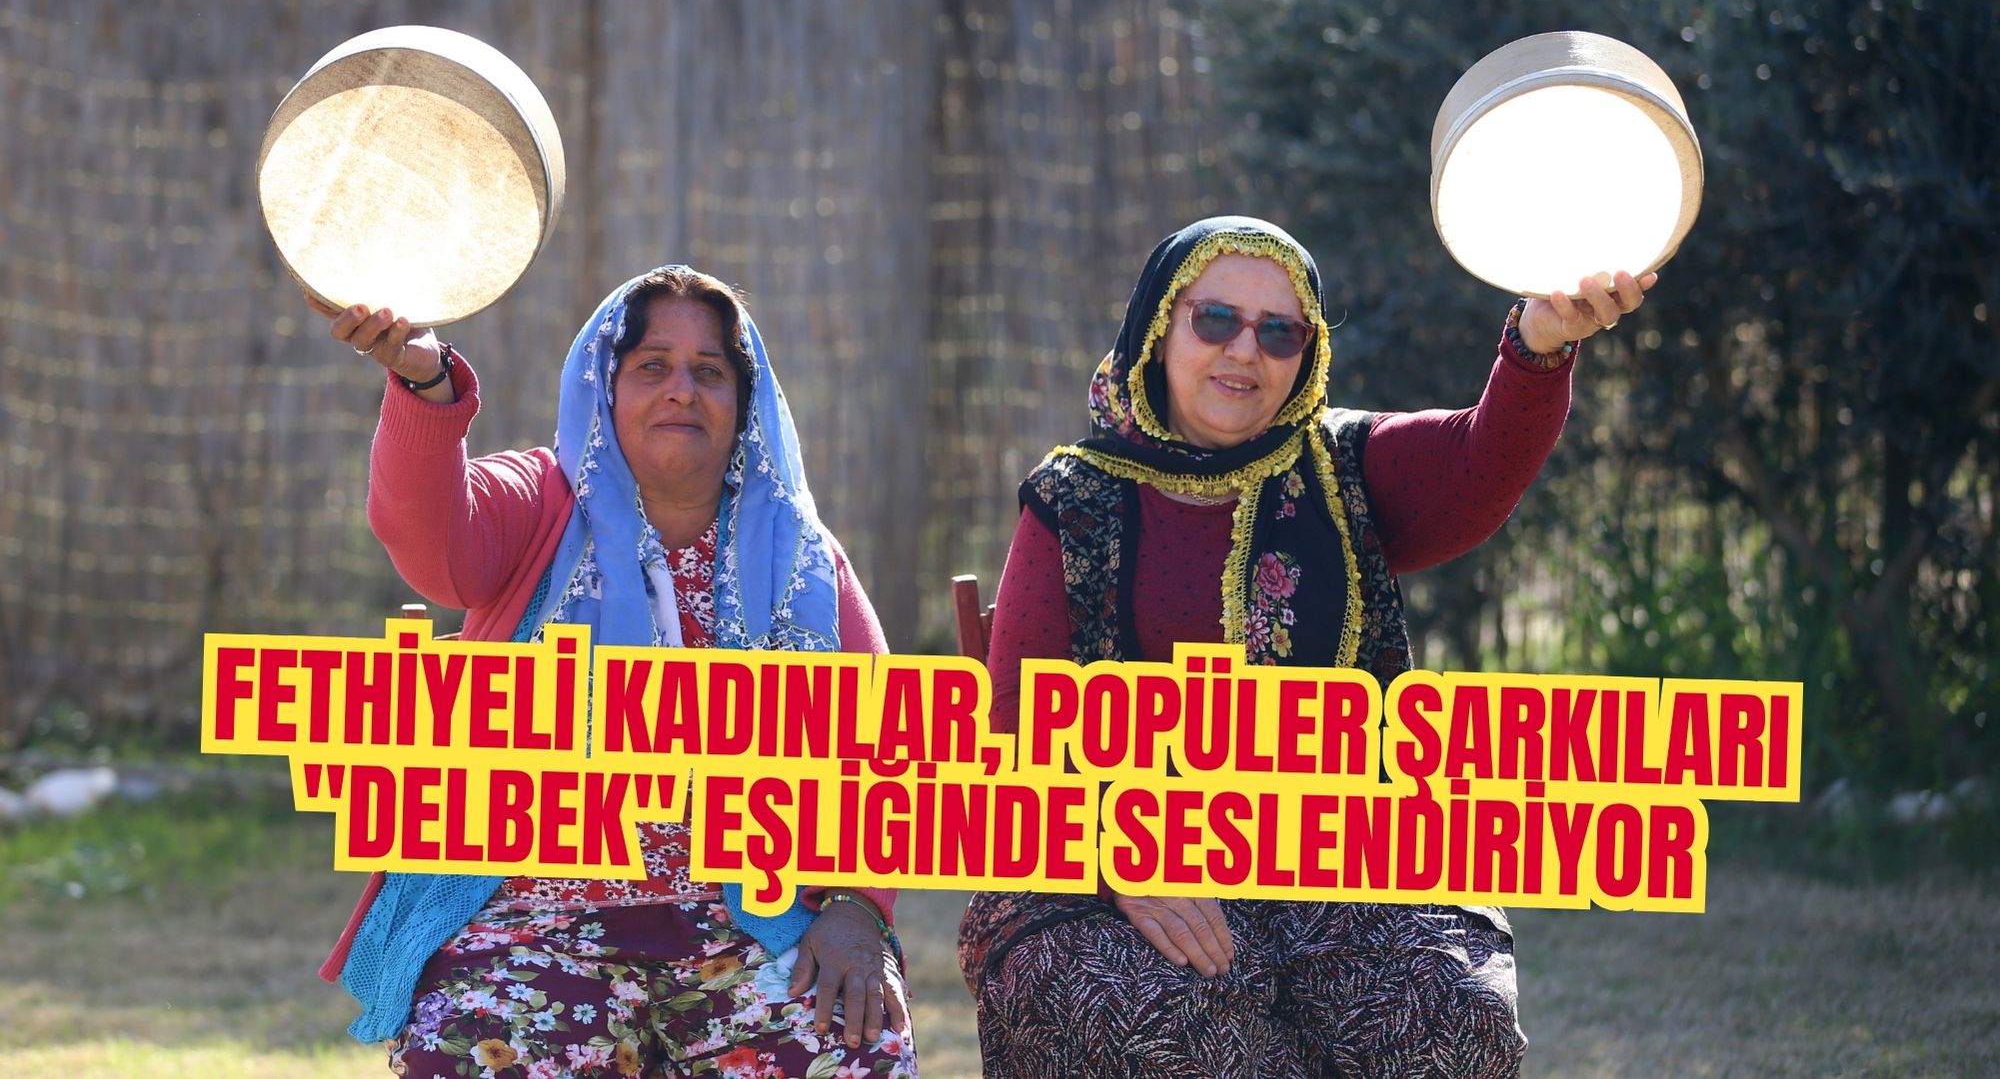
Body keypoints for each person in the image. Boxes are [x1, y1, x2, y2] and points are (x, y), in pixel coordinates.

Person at [956, 216, 1655, 1079]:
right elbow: (1012, 723)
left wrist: (1538, 343)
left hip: (1333, 846)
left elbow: (1481, 462)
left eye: (1280, 331)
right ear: (1160, 326)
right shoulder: (1072, 497)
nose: (1244, 351)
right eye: (1215, 319)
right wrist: (1115, 849)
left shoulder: (1343, 466)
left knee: (1450, 1014)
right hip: (1117, 861)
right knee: (1151, 1014)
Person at [311, 266, 919, 1078]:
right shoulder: (538, 505)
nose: (681, 390)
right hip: (530, 917)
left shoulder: (802, 559)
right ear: (604, 386)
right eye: (652, 366)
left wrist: (853, 905)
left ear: (744, 403)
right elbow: (427, 538)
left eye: (709, 371)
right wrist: (425, 381)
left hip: (743, 920)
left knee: (853, 1050)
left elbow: (884, 747)